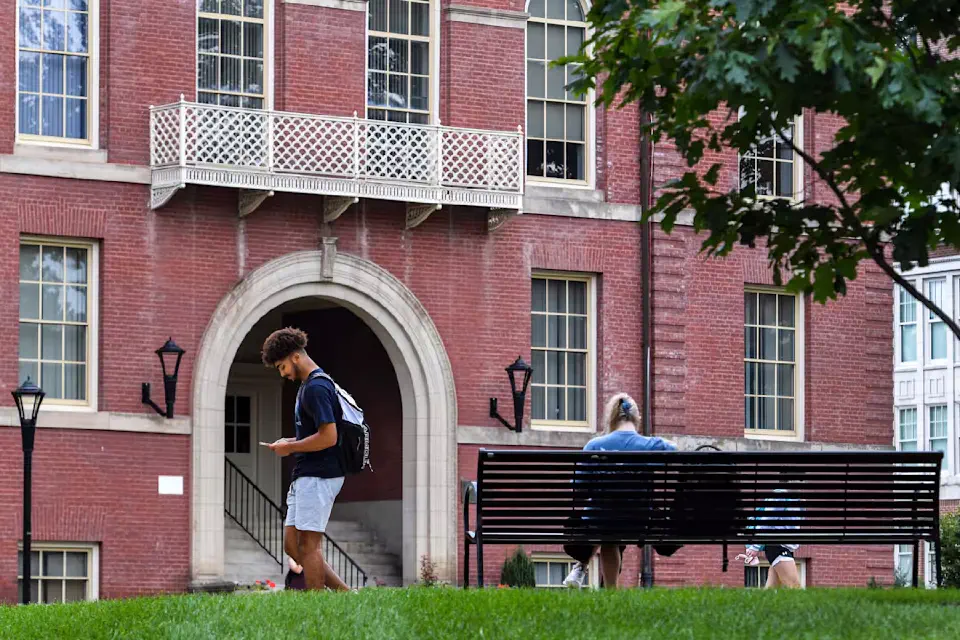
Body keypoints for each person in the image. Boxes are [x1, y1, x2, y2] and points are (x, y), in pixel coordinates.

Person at [261, 327, 349, 592]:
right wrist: (289, 442)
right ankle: (347, 595)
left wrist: (291, 448)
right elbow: (315, 434)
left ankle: (317, 604)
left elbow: (329, 437)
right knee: (292, 545)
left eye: (282, 366)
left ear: (296, 357)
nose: (283, 374)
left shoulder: (317, 388)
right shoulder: (306, 387)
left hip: (321, 474)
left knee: (309, 546)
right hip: (307, 473)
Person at [562, 393, 679, 589]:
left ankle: (602, 583)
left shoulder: (594, 445)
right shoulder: (653, 445)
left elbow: (578, 486)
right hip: (640, 521)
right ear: (636, 418)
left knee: (606, 528)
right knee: (611, 523)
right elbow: (675, 451)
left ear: (612, 417)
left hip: (601, 521)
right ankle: (589, 573)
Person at [736, 487, 802, 588]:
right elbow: (766, 521)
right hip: (778, 546)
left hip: (784, 547)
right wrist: (755, 546)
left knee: (771, 590)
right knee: (794, 586)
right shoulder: (780, 496)